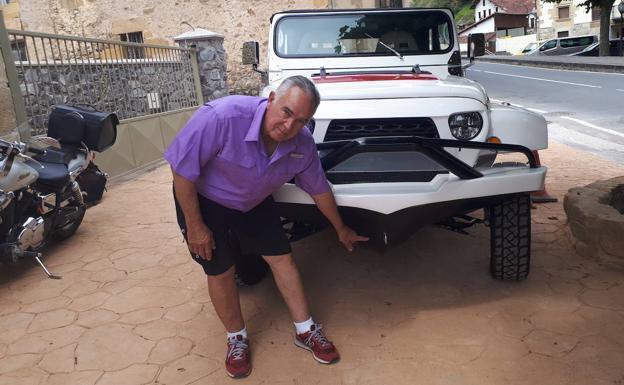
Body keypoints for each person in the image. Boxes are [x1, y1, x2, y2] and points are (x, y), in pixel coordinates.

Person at [164, 75, 368, 379]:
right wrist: (195, 226)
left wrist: (340, 228)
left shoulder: (302, 143)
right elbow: (182, 172)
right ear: (271, 99)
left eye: (301, 121)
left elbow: (318, 189)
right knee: (219, 269)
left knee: (282, 258)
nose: (289, 127)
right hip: (205, 200)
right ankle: (237, 338)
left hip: (253, 201)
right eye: (286, 112)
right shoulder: (223, 117)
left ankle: (305, 330)